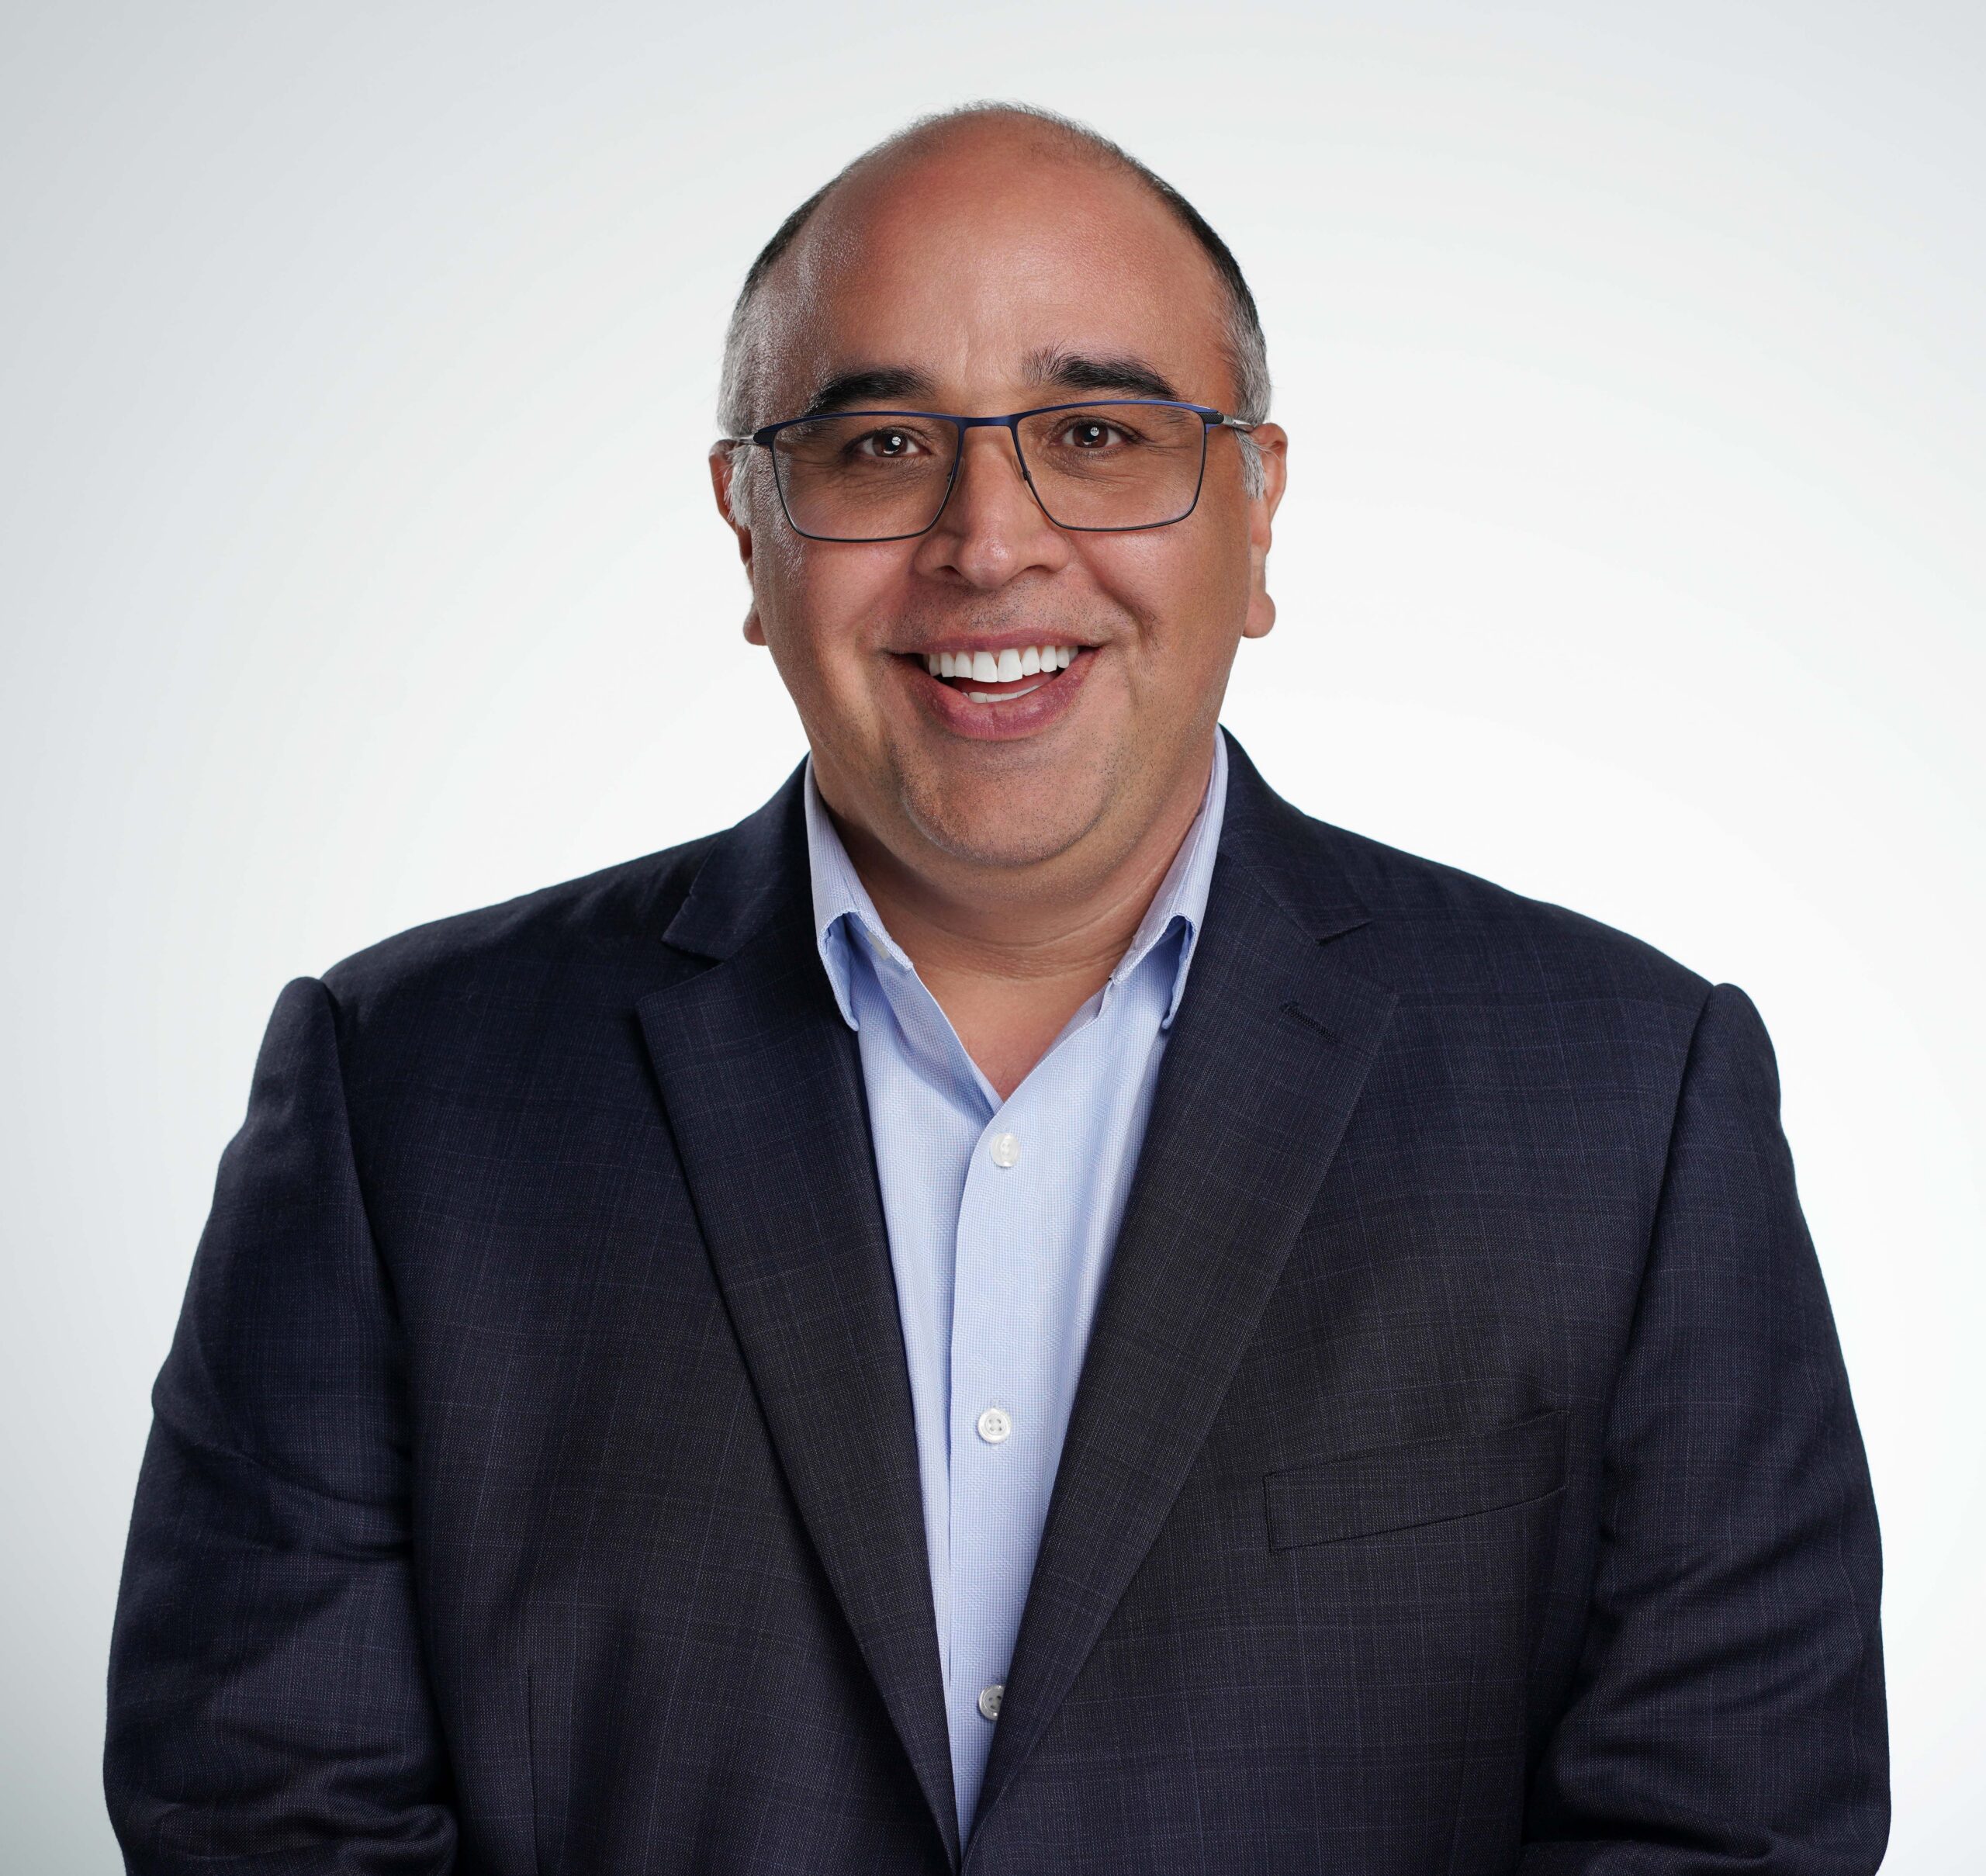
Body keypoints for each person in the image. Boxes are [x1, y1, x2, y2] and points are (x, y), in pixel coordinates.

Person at [104, 103, 1887, 1875]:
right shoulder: (401, 1091)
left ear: (1256, 511)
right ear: (749, 529)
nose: (988, 540)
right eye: (880, 444)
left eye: (1096, 432)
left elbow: (1725, 1824)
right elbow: (265, 1810)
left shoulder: (1623, 1099)